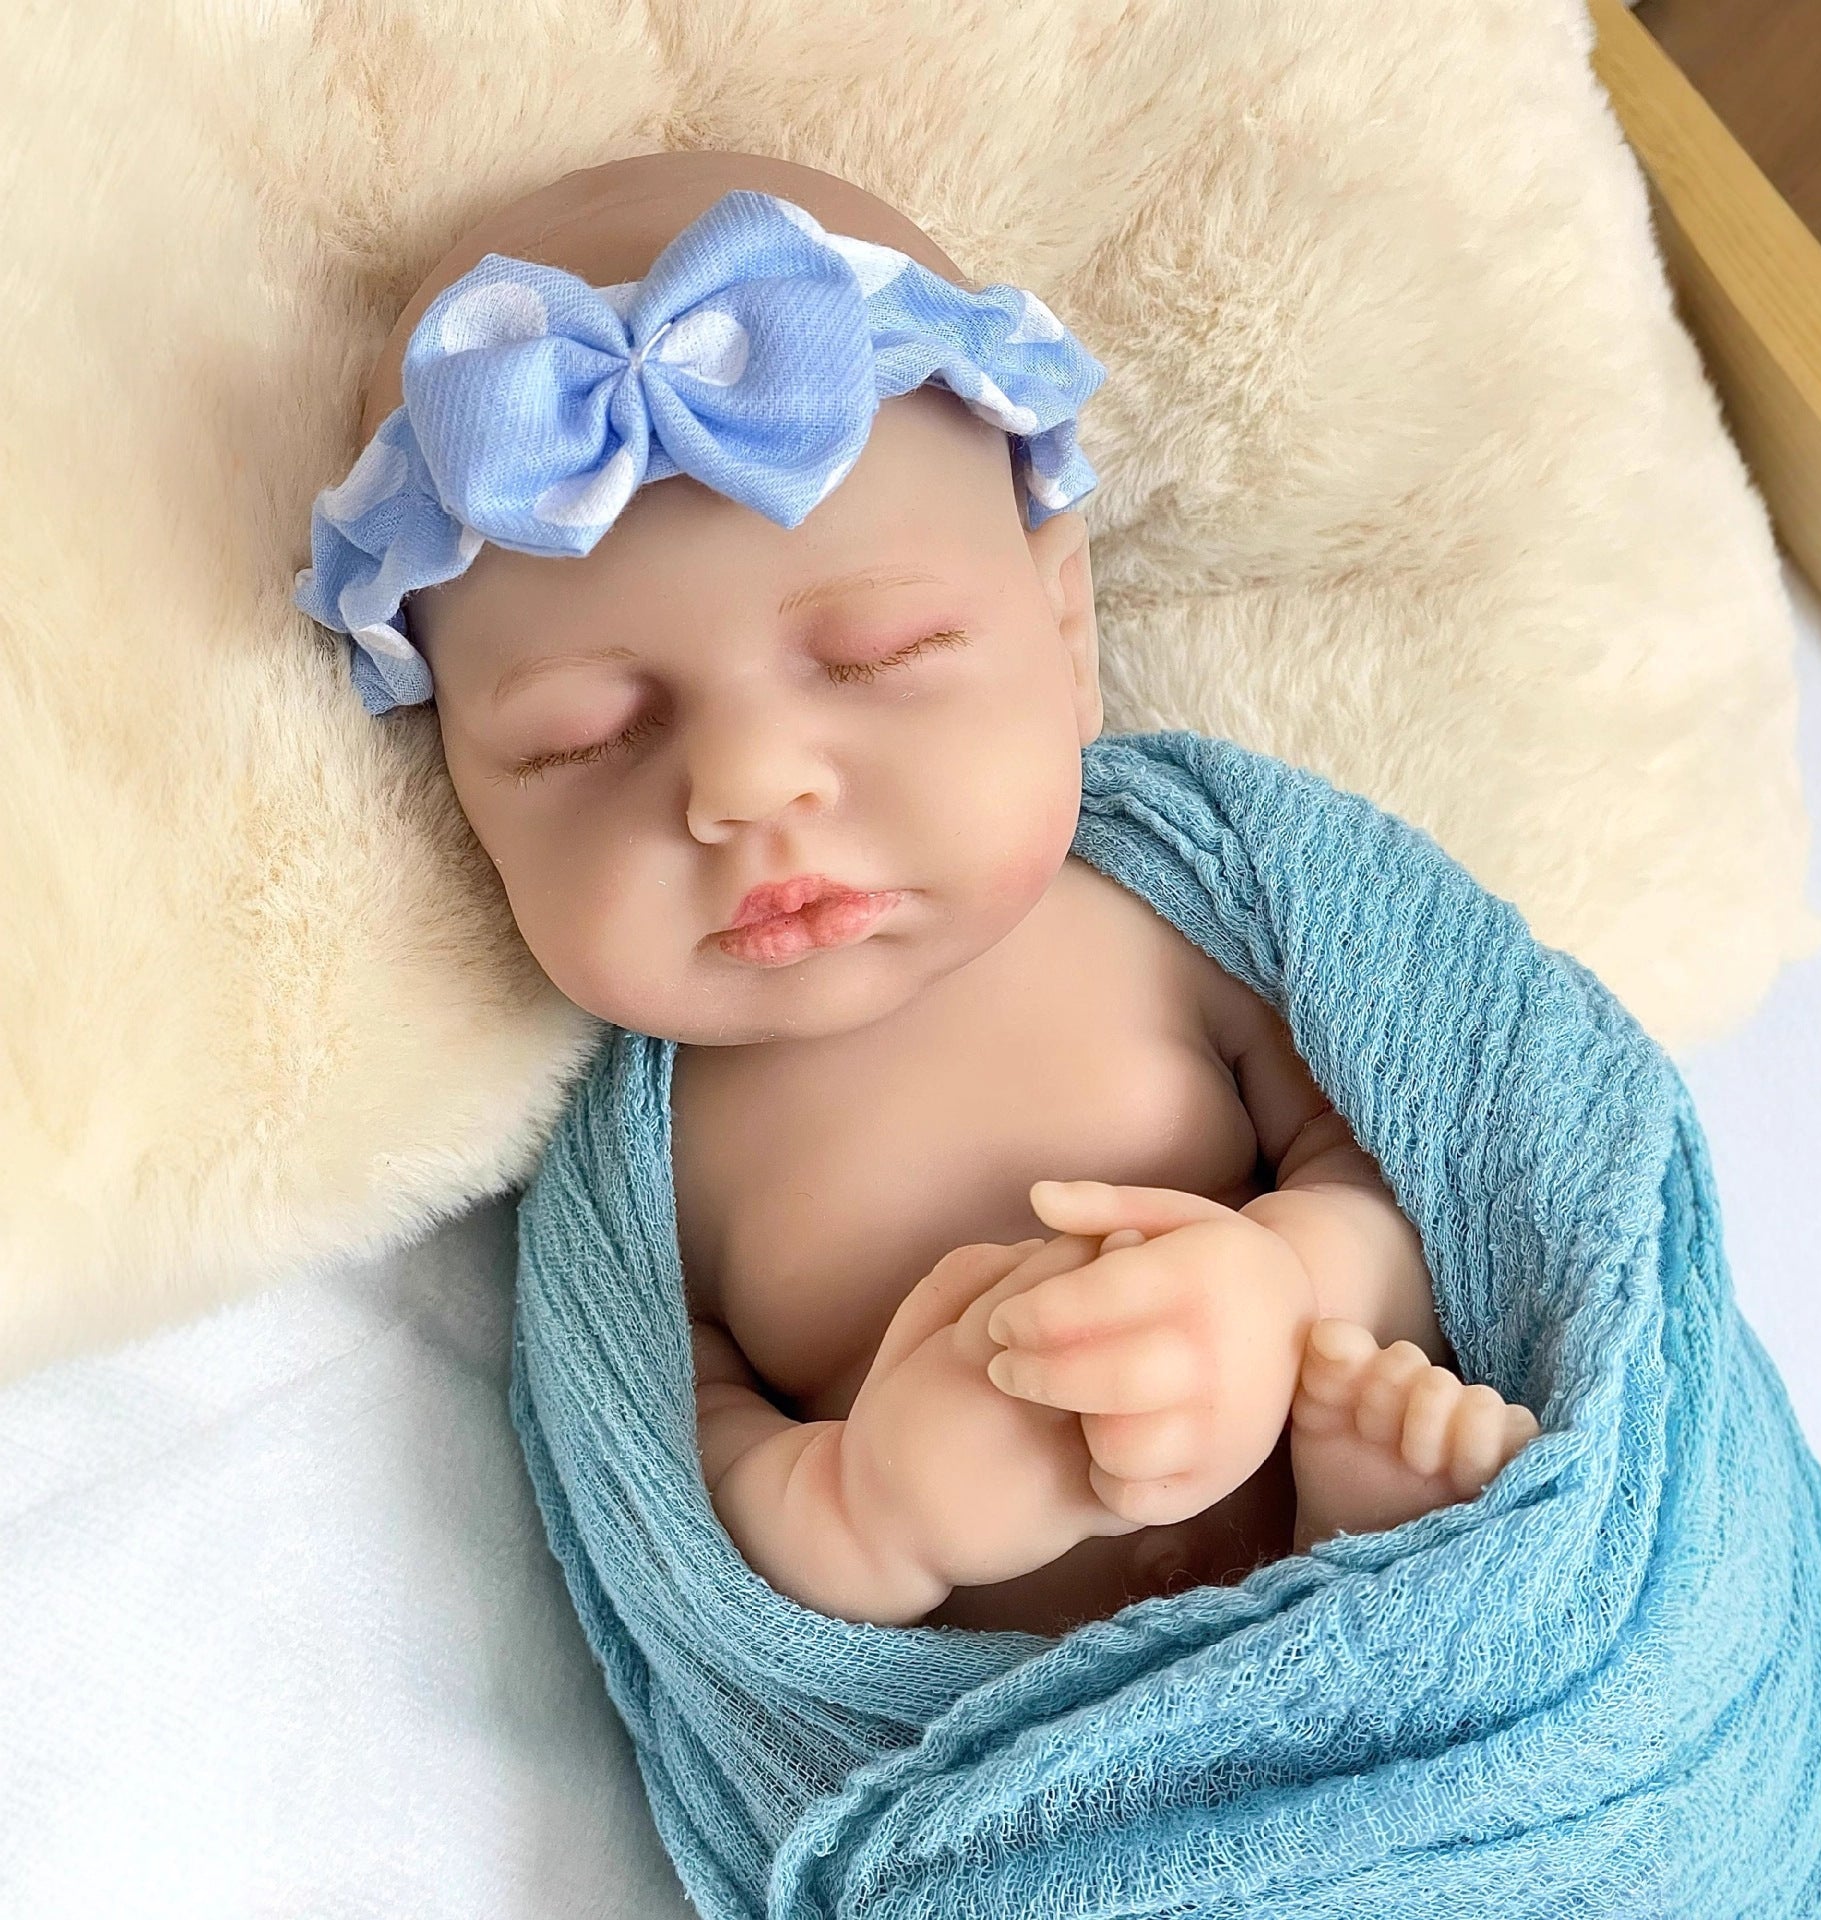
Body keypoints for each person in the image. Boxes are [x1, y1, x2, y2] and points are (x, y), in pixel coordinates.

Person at [297, 147, 1538, 1637]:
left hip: (1338, 1494)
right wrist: (872, 1507)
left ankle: (1376, 1544)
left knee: (1419, 1438)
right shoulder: (649, 1180)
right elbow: (677, 1524)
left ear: (1064, 630)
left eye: (876, 656)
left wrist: (1287, 1295)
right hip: (1023, 1715)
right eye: (586, 739)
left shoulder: (1180, 921)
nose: (747, 785)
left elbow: (1428, 1178)